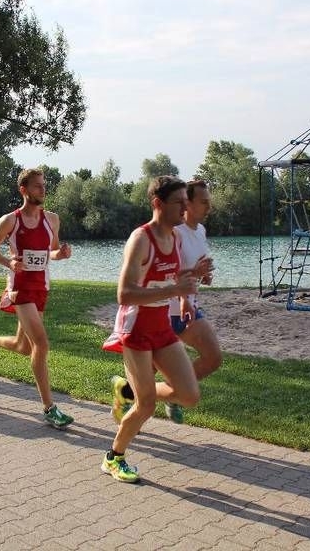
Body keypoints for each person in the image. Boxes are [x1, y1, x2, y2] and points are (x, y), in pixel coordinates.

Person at [100, 176, 210, 483]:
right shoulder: (141, 239)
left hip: (161, 326)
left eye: (187, 203)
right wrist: (175, 288)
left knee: (189, 394)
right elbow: (124, 294)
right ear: (157, 204)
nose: (185, 209)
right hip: (135, 331)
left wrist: (191, 276)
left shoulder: (174, 238)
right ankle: (114, 457)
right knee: (146, 405)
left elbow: (168, 275)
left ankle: (127, 389)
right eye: (180, 203)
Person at [110, 179, 220, 425]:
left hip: (185, 308)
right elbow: (139, 286)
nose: (208, 207)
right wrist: (179, 291)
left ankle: (171, 394)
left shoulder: (196, 232)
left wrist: (195, 281)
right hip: (157, 314)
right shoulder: (165, 232)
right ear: (186, 203)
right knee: (145, 386)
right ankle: (129, 399)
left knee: (212, 359)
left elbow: (179, 273)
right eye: (203, 202)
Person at [0, 167, 75, 429]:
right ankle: (49, 408)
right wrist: (9, 263)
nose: (43, 189)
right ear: (24, 190)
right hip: (19, 288)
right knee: (41, 343)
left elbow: (51, 251)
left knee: (24, 346)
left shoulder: (52, 219)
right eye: (37, 185)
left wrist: (60, 255)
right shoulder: (10, 221)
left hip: (42, 287)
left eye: (44, 185)